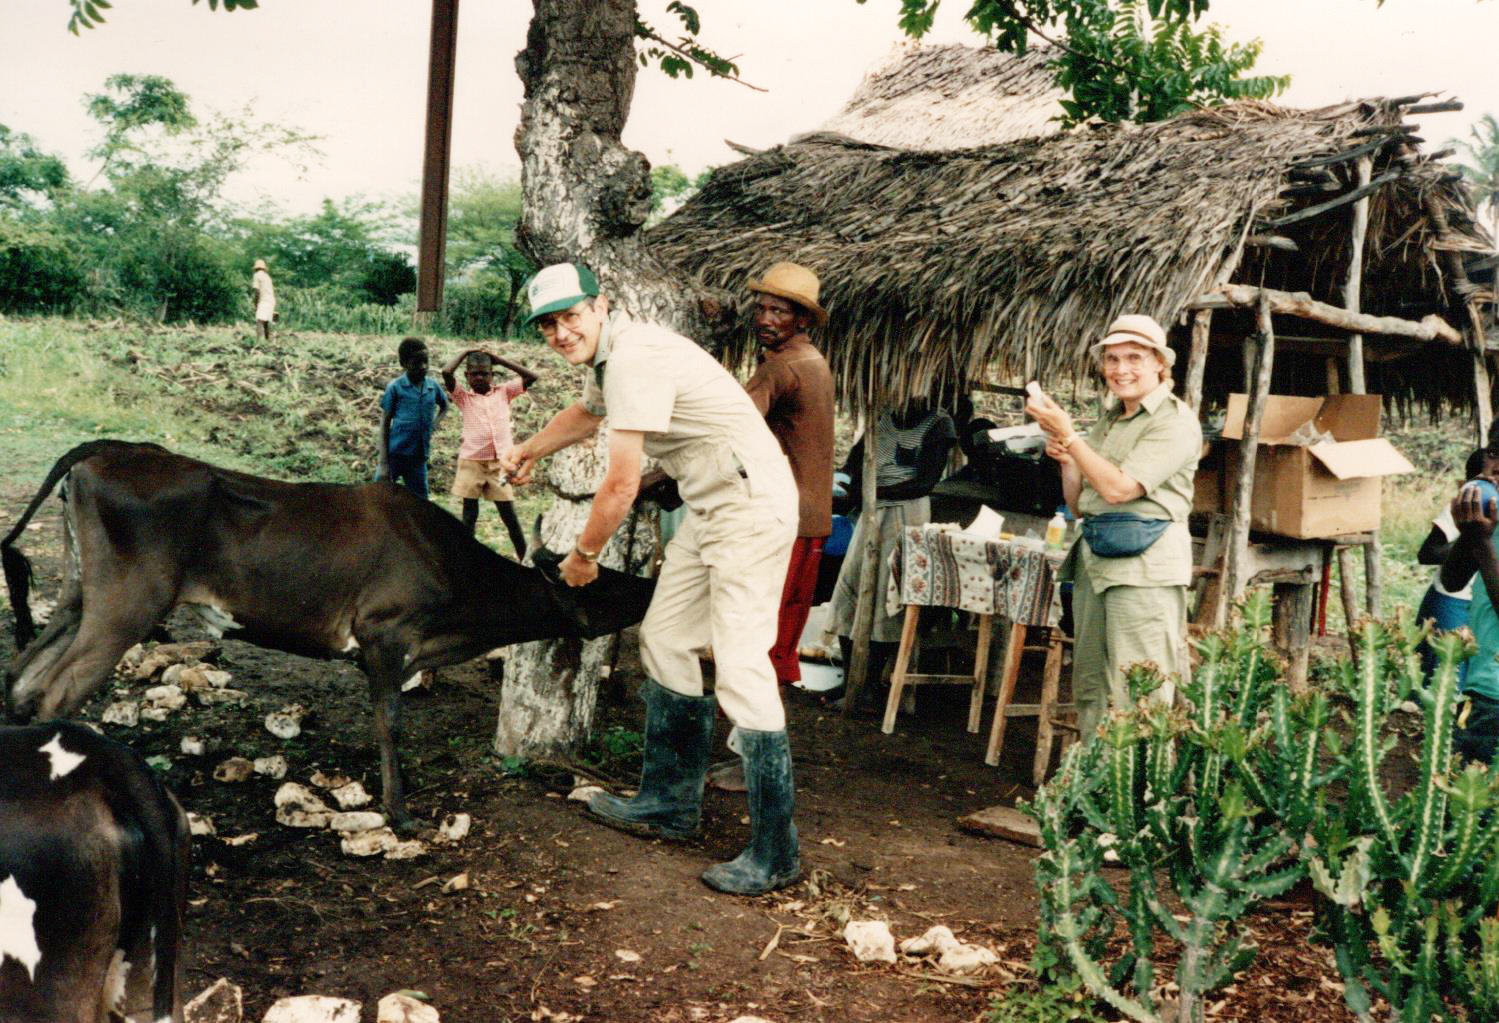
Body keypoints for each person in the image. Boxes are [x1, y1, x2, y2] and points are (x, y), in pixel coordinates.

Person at [502, 262, 802, 895]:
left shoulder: (636, 357)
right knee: (665, 639)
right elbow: (587, 415)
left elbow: (621, 482)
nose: (560, 332)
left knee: (743, 664)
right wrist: (530, 448)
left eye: (570, 316)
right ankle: (669, 804)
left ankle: (776, 852)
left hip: (749, 503)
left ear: (601, 305)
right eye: (548, 324)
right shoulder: (613, 360)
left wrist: (584, 555)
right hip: (710, 504)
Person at [1025, 314, 1201, 739]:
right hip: (1097, 562)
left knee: (1141, 689)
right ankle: (1095, 791)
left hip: (1144, 571)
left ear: (1161, 363)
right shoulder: (1111, 419)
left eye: (1134, 358)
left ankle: (1141, 797)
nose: (1121, 369)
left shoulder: (1174, 421)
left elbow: (1120, 489)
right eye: (1112, 359)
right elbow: (1081, 504)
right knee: (1090, 686)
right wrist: (1069, 459)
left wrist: (1071, 436)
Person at [707, 262, 834, 794]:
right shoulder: (811, 362)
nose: (765, 317)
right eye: (760, 307)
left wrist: (654, 476)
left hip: (788, 522)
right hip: (809, 518)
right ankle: (750, 752)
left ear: (802, 318)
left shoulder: (782, 368)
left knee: (760, 640)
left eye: (778, 310)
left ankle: (755, 762)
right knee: (774, 637)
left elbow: (729, 428)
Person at [825, 398, 957, 707]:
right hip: (871, 510)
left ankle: (868, 686)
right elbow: (854, 460)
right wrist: (850, 485)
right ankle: (851, 681)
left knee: (887, 598)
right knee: (851, 592)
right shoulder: (883, 415)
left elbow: (923, 483)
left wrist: (871, 493)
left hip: (905, 514)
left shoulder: (939, 424)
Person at [439, 346, 539, 558]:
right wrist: (464, 352)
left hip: (499, 465)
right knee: (469, 517)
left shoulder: (504, 392)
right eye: (474, 373)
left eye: (485, 373)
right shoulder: (463, 397)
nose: (479, 377)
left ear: (492, 374)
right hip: (471, 463)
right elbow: (447, 373)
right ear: (466, 376)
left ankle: (526, 560)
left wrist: (499, 360)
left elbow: (532, 376)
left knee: (510, 517)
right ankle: (467, 560)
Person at [1415, 447, 1499, 683]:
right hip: (1454, 602)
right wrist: (1473, 541)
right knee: (1445, 678)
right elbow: (1429, 554)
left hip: (1477, 606)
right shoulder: (1472, 507)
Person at [1442, 483, 1499, 764]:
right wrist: (1470, 535)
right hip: (1482, 689)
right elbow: (1452, 581)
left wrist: (1484, 544)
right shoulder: (1494, 516)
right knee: (1466, 800)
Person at [377, 337, 448, 499]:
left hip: (418, 458)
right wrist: (383, 464)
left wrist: (434, 424)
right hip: (395, 455)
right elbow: (384, 425)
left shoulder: (432, 386)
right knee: (378, 495)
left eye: (425, 362)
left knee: (421, 503)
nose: (423, 367)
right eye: (416, 363)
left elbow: (445, 406)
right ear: (403, 364)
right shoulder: (395, 388)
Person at [251, 258, 276, 343]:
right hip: (271, 301)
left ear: (256, 268)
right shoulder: (267, 276)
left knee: (259, 321)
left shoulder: (257, 275)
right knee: (267, 322)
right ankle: (270, 341)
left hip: (264, 300)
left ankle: (260, 342)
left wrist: (256, 303)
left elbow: (257, 291)